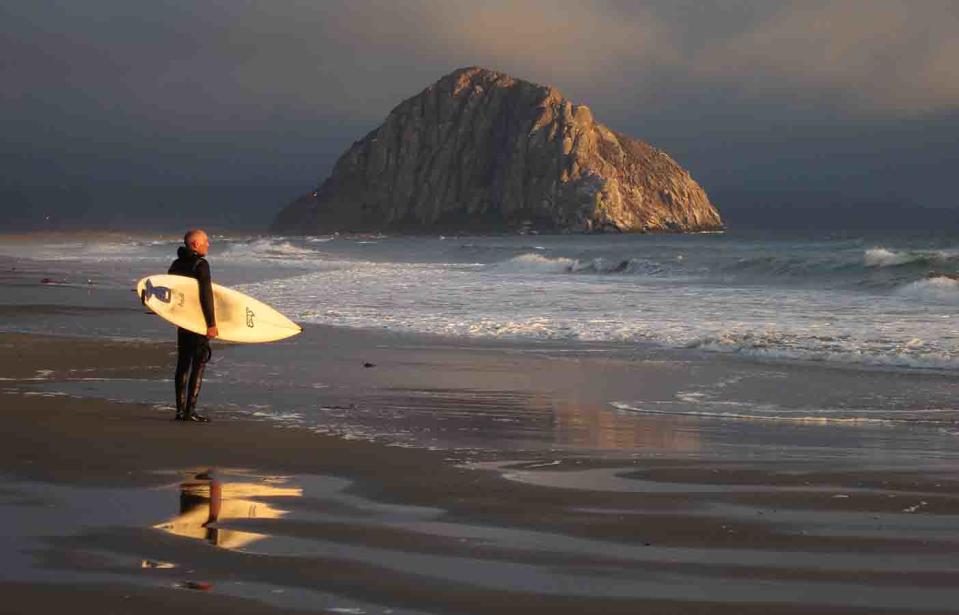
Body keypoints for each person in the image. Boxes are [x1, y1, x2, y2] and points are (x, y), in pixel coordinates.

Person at [168, 229, 218, 422]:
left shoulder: (176, 264)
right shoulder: (201, 264)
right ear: (195, 244)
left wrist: (173, 315)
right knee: (198, 364)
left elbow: (170, 293)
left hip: (183, 320)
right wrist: (211, 324)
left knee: (183, 364)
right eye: (206, 241)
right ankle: (191, 411)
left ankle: (180, 411)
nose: (209, 244)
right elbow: (206, 295)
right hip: (197, 321)